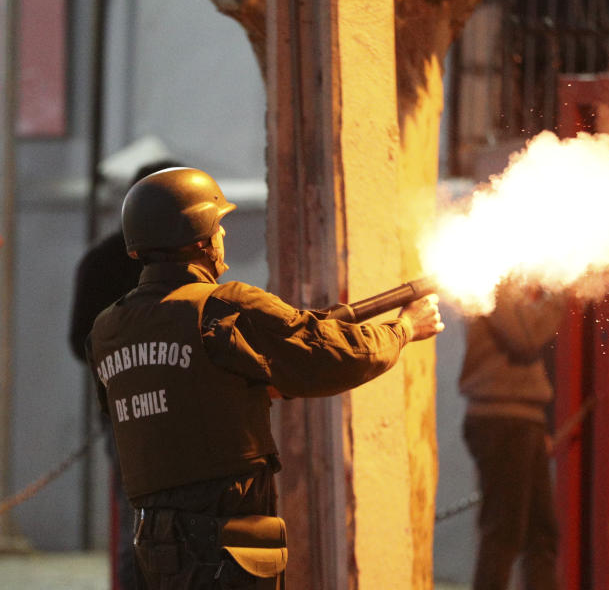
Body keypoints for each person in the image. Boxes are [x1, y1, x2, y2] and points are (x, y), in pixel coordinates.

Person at [85, 167, 444, 589]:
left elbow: (179, 400)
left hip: (157, 555)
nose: (223, 236)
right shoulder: (224, 308)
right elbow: (334, 356)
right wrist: (404, 329)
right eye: (218, 225)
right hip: (225, 553)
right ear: (200, 236)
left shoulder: (106, 330)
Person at [69, 160, 179, 590]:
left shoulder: (103, 259)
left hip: (139, 412)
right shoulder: (105, 263)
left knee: (144, 525)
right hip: (132, 415)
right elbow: (82, 339)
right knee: (140, 527)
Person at [459, 281, 565, 590]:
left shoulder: (513, 282)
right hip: (502, 420)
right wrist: (559, 295)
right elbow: (526, 338)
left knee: (542, 535)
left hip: (522, 420)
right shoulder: (491, 279)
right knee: (503, 534)